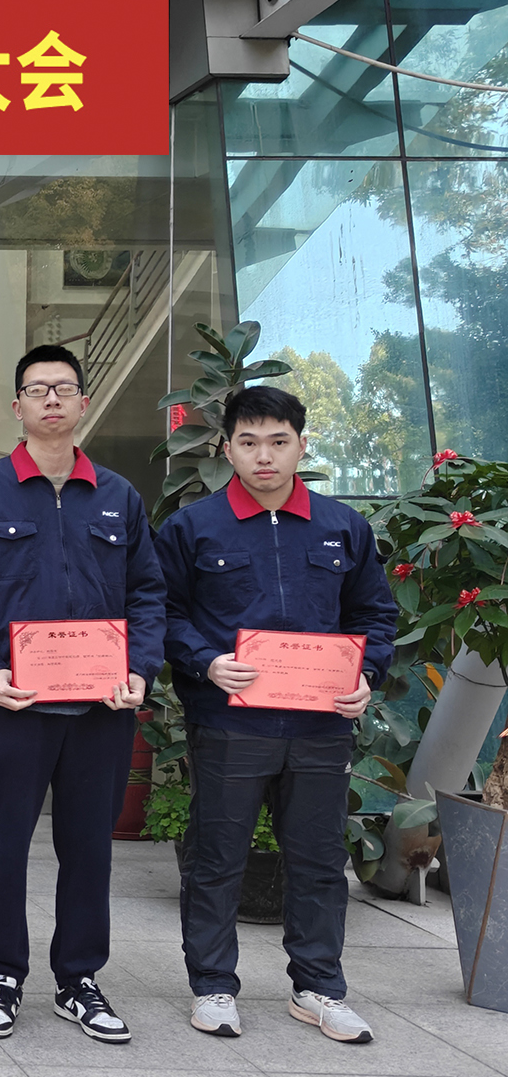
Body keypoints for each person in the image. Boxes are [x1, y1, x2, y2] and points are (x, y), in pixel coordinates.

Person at [0, 344, 165, 1043]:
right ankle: (1, 974)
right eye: (38, 389)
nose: (52, 399)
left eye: (64, 388)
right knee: (0, 847)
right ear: (18, 407)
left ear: (83, 403)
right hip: (11, 705)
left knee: (89, 848)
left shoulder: (119, 497)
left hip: (100, 710)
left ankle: (79, 979)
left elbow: (148, 593)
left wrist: (140, 670)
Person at [155, 386, 397, 1043]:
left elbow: (374, 614)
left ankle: (319, 988)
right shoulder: (192, 528)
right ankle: (213, 986)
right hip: (230, 724)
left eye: (279, 442)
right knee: (217, 859)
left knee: (318, 861)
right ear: (226, 448)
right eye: (249, 442)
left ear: (301, 445)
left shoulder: (341, 526)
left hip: (321, 725)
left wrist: (367, 675)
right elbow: (162, 612)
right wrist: (206, 661)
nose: (264, 456)